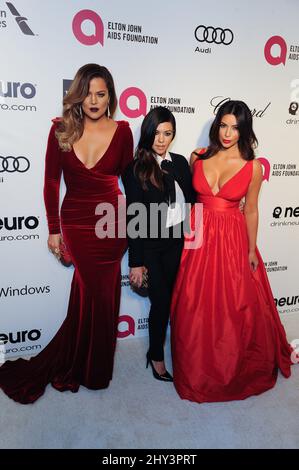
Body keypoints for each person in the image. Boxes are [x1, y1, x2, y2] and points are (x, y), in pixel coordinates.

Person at [0, 63, 133, 404]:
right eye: (87, 93)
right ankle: (83, 364)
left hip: (111, 222)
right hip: (74, 221)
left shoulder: (123, 131)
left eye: (100, 94)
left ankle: (95, 368)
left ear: (110, 97)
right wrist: (54, 230)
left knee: (103, 298)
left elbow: (129, 182)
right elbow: (50, 182)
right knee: (90, 294)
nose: (93, 100)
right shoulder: (61, 129)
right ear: (77, 95)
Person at [171, 100, 292, 403]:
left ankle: (232, 369)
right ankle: (195, 370)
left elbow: (250, 211)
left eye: (235, 127)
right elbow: (185, 200)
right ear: (216, 125)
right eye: (223, 125)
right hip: (197, 238)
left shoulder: (253, 168)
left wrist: (251, 250)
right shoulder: (197, 156)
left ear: (244, 130)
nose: (227, 133)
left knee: (233, 306)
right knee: (193, 305)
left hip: (231, 239)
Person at [123, 106, 194, 382]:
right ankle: (155, 356)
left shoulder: (179, 163)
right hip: (151, 248)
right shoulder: (135, 168)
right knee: (161, 303)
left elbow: (193, 201)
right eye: (157, 133)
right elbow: (134, 218)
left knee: (179, 303)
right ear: (147, 133)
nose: (162, 139)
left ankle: (182, 353)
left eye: (168, 133)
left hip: (179, 244)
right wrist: (136, 263)